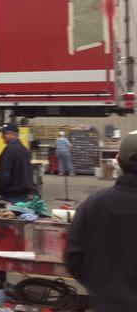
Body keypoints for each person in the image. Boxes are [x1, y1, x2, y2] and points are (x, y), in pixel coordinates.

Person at [64, 131, 137, 310]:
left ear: (118, 161)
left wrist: (101, 290)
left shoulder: (93, 204)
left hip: (106, 304)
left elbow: (73, 258)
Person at [0, 123, 33, 204]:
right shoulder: (24, 149)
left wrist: (0, 189)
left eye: (4, 133)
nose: (2, 136)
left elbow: (5, 174)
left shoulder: (9, 150)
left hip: (11, 196)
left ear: (11, 134)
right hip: (23, 196)